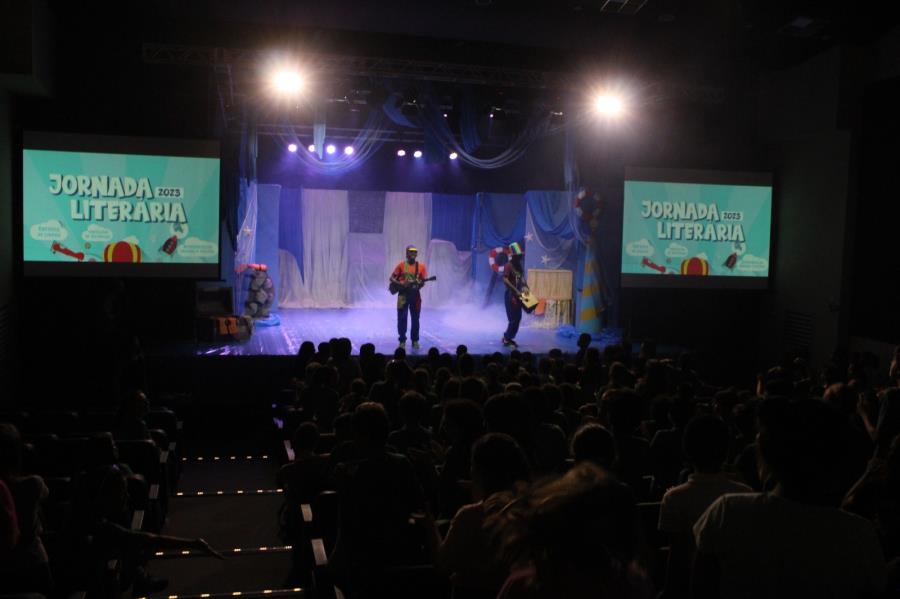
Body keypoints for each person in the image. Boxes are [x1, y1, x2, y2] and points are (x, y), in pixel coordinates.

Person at [390, 245, 429, 350]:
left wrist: (419, 284)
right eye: (410, 252)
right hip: (403, 294)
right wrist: (401, 284)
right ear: (407, 253)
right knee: (402, 318)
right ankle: (402, 340)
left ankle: (415, 340)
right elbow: (391, 278)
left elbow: (423, 281)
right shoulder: (401, 265)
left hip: (415, 295)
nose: (413, 254)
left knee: (416, 319)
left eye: (415, 252)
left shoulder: (421, 267)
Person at [502, 242, 528, 348]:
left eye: (520, 255)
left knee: (518, 317)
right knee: (513, 318)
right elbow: (505, 280)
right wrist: (515, 290)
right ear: (514, 256)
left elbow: (520, 278)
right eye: (518, 256)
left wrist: (525, 286)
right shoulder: (509, 265)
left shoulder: (518, 266)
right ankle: (507, 338)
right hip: (511, 295)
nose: (520, 257)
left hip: (518, 293)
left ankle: (509, 337)